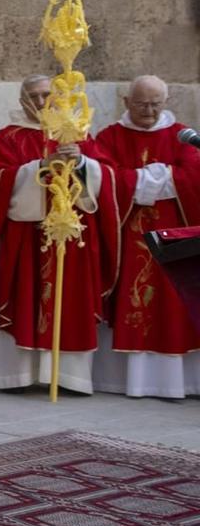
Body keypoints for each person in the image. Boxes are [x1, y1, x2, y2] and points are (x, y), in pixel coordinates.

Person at [0, 75, 118, 394]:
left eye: (47, 95)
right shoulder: (9, 137)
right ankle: (15, 375)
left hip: (72, 238)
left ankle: (67, 377)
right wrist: (40, 166)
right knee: (23, 297)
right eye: (33, 96)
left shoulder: (79, 134)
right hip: (24, 238)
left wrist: (82, 163)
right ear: (22, 100)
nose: (41, 103)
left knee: (69, 302)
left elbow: (106, 177)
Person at [93, 75, 200, 398]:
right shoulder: (110, 137)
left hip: (173, 237)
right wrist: (160, 177)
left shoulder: (183, 136)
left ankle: (177, 382)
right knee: (131, 296)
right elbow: (106, 178)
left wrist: (145, 180)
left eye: (155, 104)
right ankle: (124, 380)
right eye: (141, 104)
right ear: (126, 102)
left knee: (172, 300)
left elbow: (192, 176)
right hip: (128, 236)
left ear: (165, 102)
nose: (149, 110)